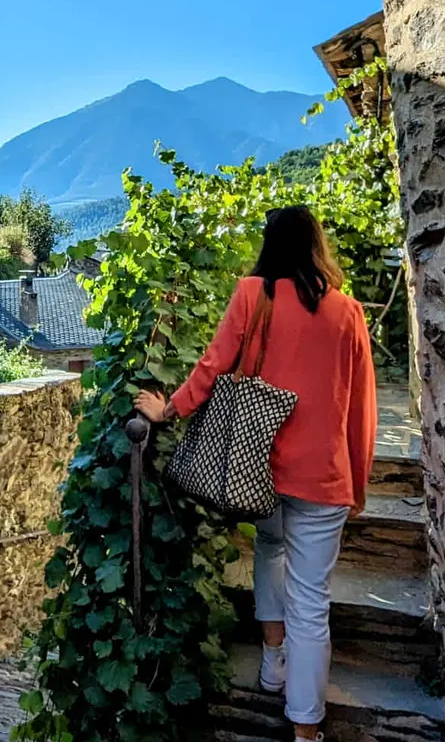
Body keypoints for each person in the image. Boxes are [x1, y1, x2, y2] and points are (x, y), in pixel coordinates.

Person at [134, 205, 378, 741]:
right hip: (324, 475)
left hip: (256, 468)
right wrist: (356, 480)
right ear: (317, 246)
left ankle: (272, 661)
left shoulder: (253, 294)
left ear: (270, 245)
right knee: (312, 603)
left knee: (270, 550)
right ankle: (306, 730)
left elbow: (213, 364)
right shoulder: (348, 313)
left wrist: (169, 409)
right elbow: (361, 407)